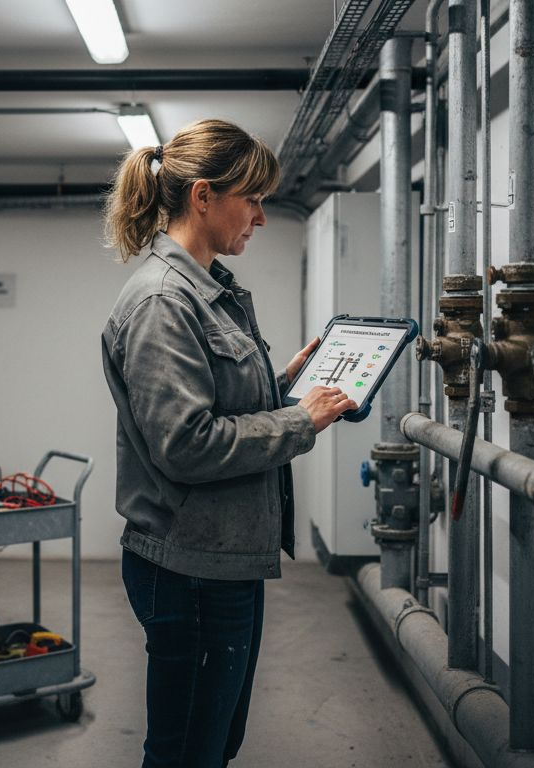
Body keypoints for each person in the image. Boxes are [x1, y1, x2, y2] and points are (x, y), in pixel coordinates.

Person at [99, 118, 358, 767]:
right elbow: (186, 444)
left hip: (220, 557)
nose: (262, 218)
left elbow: (213, 400)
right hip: (189, 567)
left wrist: (285, 382)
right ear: (204, 196)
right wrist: (302, 420)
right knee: (188, 750)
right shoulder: (166, 300)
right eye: (254, 199)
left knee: (212, 743)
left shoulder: (205, 291)